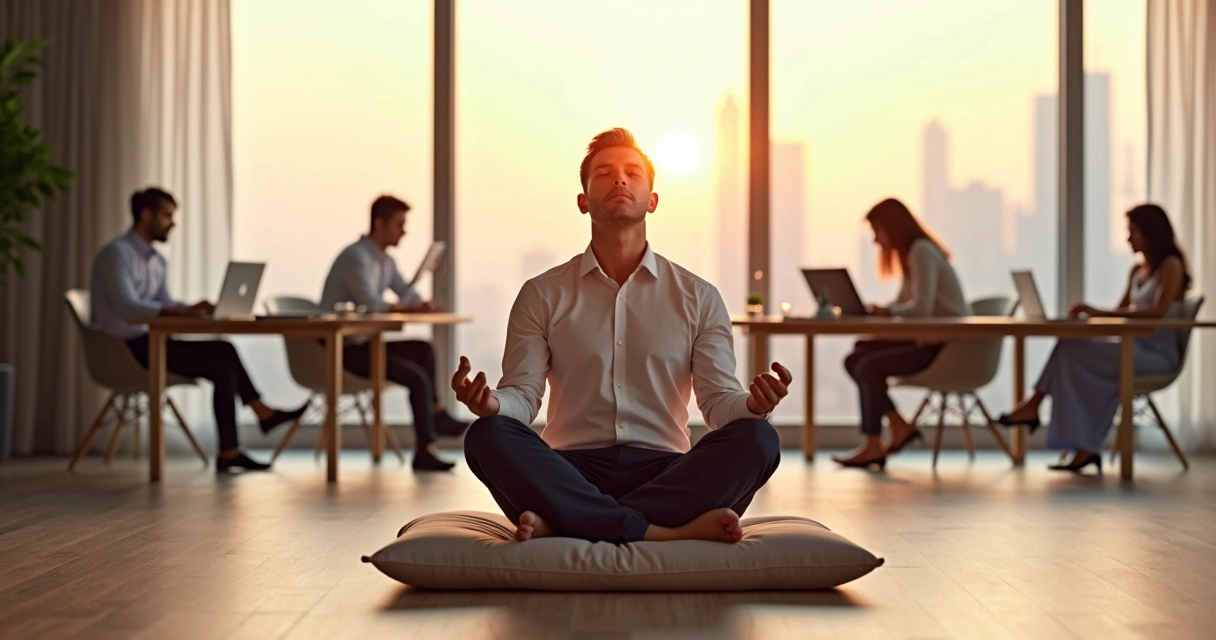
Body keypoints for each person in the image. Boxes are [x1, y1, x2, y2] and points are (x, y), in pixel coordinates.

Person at [452, 128, 788, 544]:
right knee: (487, 435)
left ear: (652, 200)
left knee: (759, 437)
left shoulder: (699, 297)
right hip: (569, 471)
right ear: (583, 201)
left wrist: (754, 405)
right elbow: (522, 396)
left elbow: (719, 404)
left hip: (666, 470)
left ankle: (572, 523)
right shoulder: (542, 293)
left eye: (632, 173)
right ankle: (660, 533)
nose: (620, 180)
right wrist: (491, 404)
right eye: (604, 173)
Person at [90, 187, 307, 472]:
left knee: (224, 349)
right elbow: (127, 307)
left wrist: (193, 308)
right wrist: (178, 311)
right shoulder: (116, 254)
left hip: (151, 340)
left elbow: (163, 303)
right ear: (146, 215)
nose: (172, 223)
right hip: (125, 348)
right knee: (222, 370)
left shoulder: (156, 261)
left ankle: (258, 418)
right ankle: (238, 442)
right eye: (167, 216)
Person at [998, 204, 1191, 473]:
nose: (1127, 238)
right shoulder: (1137, 271)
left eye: (1132, 232)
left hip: (1157, 355)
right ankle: (1080, 445)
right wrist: (1087, 322)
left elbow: (1157, 311)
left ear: (1150, 233)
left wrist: (1095, 310)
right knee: (1070, 350)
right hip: (1130, 347)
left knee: (1070, 353)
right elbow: (1121, 313)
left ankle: (1038, 409)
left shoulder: (1171, 266)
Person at [320, 194, 469, 472]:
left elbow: (404, 292)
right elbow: (373, 306)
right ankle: (425, 450)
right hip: (340, 352)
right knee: (417, 378)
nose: (404, 231)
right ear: (380, 223)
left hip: (366, 345)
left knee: (423, 350)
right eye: (399, 224)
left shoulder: (384, 261)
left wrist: (423, 304)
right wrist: (412, 308)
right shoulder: (356, 257)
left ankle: (436, 415)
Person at [834, 198, 970, 469]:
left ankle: (874, 443)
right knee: (856, 356)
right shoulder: (912, 255)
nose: (875, 240)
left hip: (945, 348)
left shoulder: (922, 251)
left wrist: (886, 311)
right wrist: (885, 310)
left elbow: (920, 308)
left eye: (877, 231)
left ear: (891, 227)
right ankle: (897, 425)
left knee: (869, 365)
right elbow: (906, 307)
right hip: (925, 340)